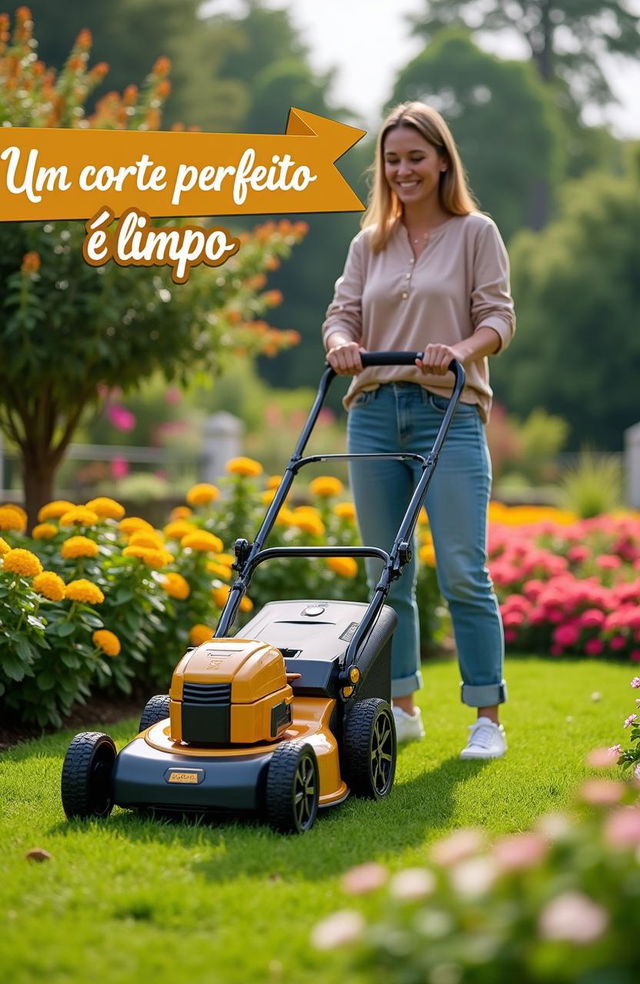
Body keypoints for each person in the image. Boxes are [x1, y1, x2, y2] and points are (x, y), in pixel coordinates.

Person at [322, 101, 515, 759]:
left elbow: (499, 320)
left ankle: (486, 717)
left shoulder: (475, 233)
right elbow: (341, 314)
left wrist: (460, 348)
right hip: (374, 415)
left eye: (415, 157)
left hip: (449, 414)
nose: (402, 170)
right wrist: (344, 342)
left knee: (464, 569)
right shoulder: (367, 242)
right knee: (387, 572)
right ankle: (401, 706)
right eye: (392, 159)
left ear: (441, 161)